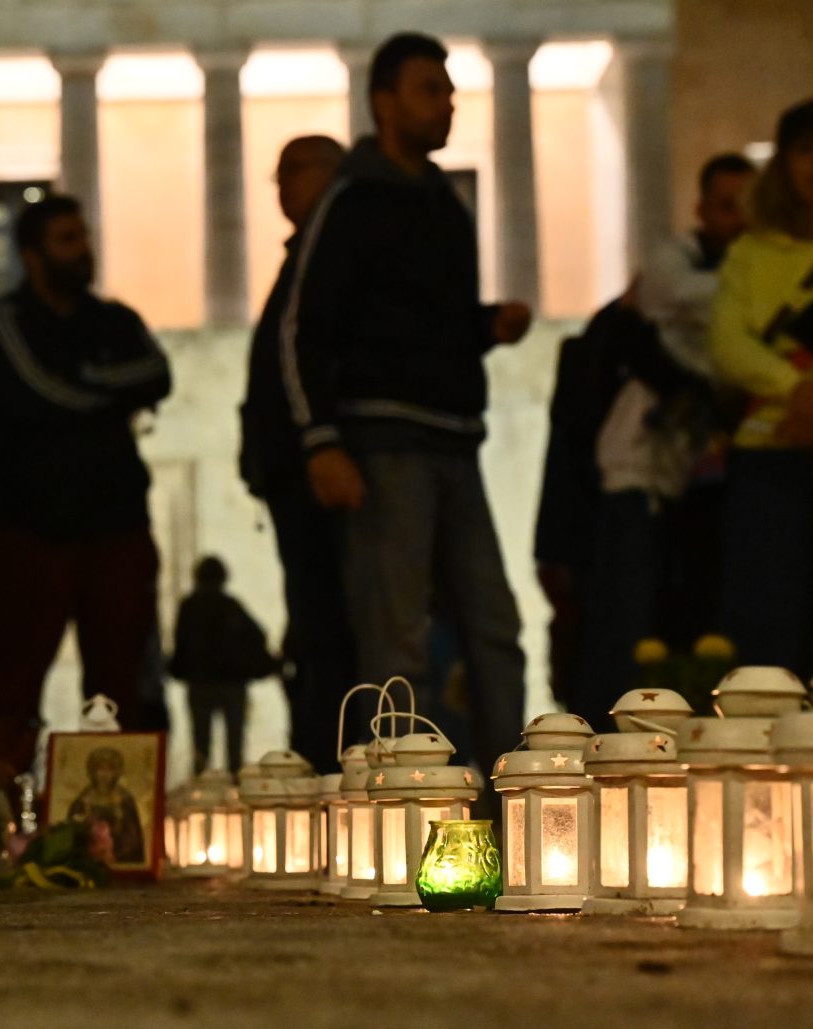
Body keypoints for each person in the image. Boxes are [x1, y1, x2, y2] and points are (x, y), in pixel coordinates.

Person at [284, 33, 532, 775]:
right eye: (431, 89)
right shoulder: (351, 202)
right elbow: (305, 326)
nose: (448, 104)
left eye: (450, 91)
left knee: (495, 629)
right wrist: (321, 441)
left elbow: (433, 322)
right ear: (384, 102)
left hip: (456, 439)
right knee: (396, 637)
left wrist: (487, 326)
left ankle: (508, 798)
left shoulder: (445, 206)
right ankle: (407, 806)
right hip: (385, 443)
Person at [0, 194, 173, 773]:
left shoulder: (114, 319)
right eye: (66, 240)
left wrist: (82, 384)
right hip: (33, 525)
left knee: (120, 684)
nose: (82, 251)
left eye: (82, 237)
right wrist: (108, 393)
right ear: (32, 255)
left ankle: (122, 833)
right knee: (13, 683)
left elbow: (158, 373)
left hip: (116, 525)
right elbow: (43, 392)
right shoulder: (7, 324)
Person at [569, 153, 756, 722]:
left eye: (748, 207)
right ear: (700, 209)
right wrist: (751, 281)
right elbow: (670, 293)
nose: (737, 220)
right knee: (627, 623)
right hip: (637, 470)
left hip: (695, 476)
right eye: (726, 206)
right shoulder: (676, 260)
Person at [239, 134, 352, 772]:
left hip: (319, 473)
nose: (282, 188)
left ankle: (330, 757)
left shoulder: (327, 254)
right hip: (293, 473)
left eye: (293, 173)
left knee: (327, 624)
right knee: (312, 623)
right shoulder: (306, 254)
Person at [711, 99, 813, 674]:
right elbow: (728, 345)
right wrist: (796, 388)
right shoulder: (751, 252)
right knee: (768, 632)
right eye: (805, 150)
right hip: (769, 461)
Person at [169, 557, 274, 775]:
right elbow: (257, 635)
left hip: (201, 683)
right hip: (231, 683)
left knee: (201, 746)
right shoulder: (229, 605)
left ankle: (201, 786)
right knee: (234, 745)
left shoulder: (190, 606)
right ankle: (235, 783)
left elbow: (180, 646)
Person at [66, 746, 145, 864]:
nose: (104, 774)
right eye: (100, 769)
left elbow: (133, 838)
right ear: (93, 771)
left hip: (122, 860)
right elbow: (72, 834)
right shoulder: (83, 800)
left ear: (116, 772)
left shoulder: (125, 800)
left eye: (109, 769)